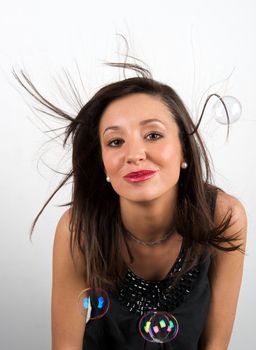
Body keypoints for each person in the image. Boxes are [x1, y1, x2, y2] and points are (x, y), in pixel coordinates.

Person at [16, 62, 247, 349]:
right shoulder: (78, 228)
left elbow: (215, 344)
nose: (134, 154)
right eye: (115, 141)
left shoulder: (223, 216)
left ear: (184, 150)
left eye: (153, 135)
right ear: (103, 164)